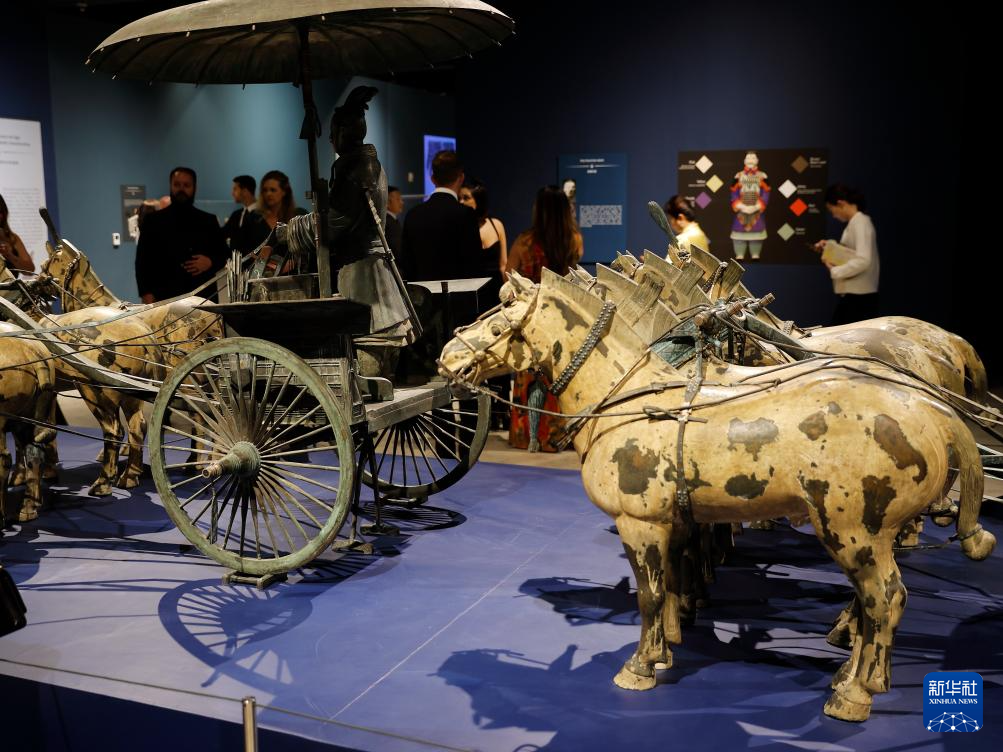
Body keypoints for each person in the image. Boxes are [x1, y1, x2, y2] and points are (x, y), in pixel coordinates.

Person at [506, 185, 583, 452]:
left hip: (531, 320)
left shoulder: (524, 242)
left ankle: (527, 434)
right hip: (560, 319)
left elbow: (509, 276)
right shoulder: (573, 240)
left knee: (529, 373)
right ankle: (557, 433)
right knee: (559, 374)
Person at [135, 166, 228, 303]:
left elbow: (224, 254)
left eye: (186, 185)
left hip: (202, 297)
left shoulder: (209, 221)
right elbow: (142, 261)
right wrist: (146, 293)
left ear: (194, 188)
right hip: (163, 297)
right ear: (171, 186)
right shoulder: (152, 221)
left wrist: (210, 262)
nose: (181, 189)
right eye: (177, 184)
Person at [401, 150, 482, 282]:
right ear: (461, 178)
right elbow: (474, 265)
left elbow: (407, 266)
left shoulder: (413, 215)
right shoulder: (466, 215)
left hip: (423, 294)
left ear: (432, 178)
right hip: (459, 293)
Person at [812, 183, 880, 325]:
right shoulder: (857, 222)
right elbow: (852, 253)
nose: (833, 215)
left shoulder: (860, 222)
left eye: (832, 210)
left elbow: (863, 260)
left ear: (840, 203)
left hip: (859, 298)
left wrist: (835, 270)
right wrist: (829, 247)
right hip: (856, 296)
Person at [459, 178, 507, 310]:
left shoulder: (496, 224)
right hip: (472, 292)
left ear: (478, 200)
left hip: (496, 289)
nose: (461, 202)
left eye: (466, 198)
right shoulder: (461, 228)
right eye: (459, 198)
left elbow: (503, 264)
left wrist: (508, 290)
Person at [730, 151, 770, 260]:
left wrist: (757, 206)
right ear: (744, 161)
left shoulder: (763, 176)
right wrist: (741, 206)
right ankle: (740, 254)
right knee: (739, 235)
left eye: (753, 158)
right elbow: (733, 193)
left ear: (757, 160)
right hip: (741, 211)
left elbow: (766, 192)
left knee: (757, 235)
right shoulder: (738, 176)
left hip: (757, 211)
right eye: (748, 158)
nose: (751, 160)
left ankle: (755, 254)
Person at [222, 174, 269, 252]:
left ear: (245, 191)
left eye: (235, 189)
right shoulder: (236, 215)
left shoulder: (263, 215)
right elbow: (222, 234)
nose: (232, 193)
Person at [0, 193, 36, 274]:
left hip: (10, 282)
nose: (0, 216)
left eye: (1, 212)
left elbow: (30, 271)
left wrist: (9, 255)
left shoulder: (12, 238)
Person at [385, 184, 404, 260]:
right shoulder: (390, 223)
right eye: (398, 199)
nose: (402, 202)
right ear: (387, 202)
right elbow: (397, 249)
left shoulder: (391, 220)